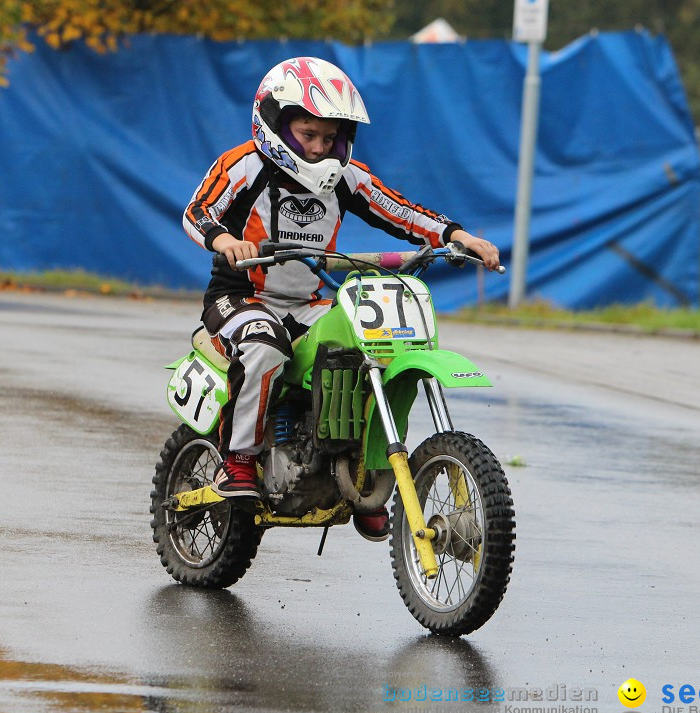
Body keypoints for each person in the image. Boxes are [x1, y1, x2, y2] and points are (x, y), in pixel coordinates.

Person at [183, 56, 500, 541]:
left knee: (369, 346)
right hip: (240, 297)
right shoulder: (245, 165)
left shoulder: (345, 178)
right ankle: (239, 461)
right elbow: (198, 211)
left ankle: (364, 474)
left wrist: (457, 235)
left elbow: (400, 211)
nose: (318, 149)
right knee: (264, 344)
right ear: (276, 123)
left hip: (309, 301)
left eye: (329, 139)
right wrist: (225, 242)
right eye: (308, 135)